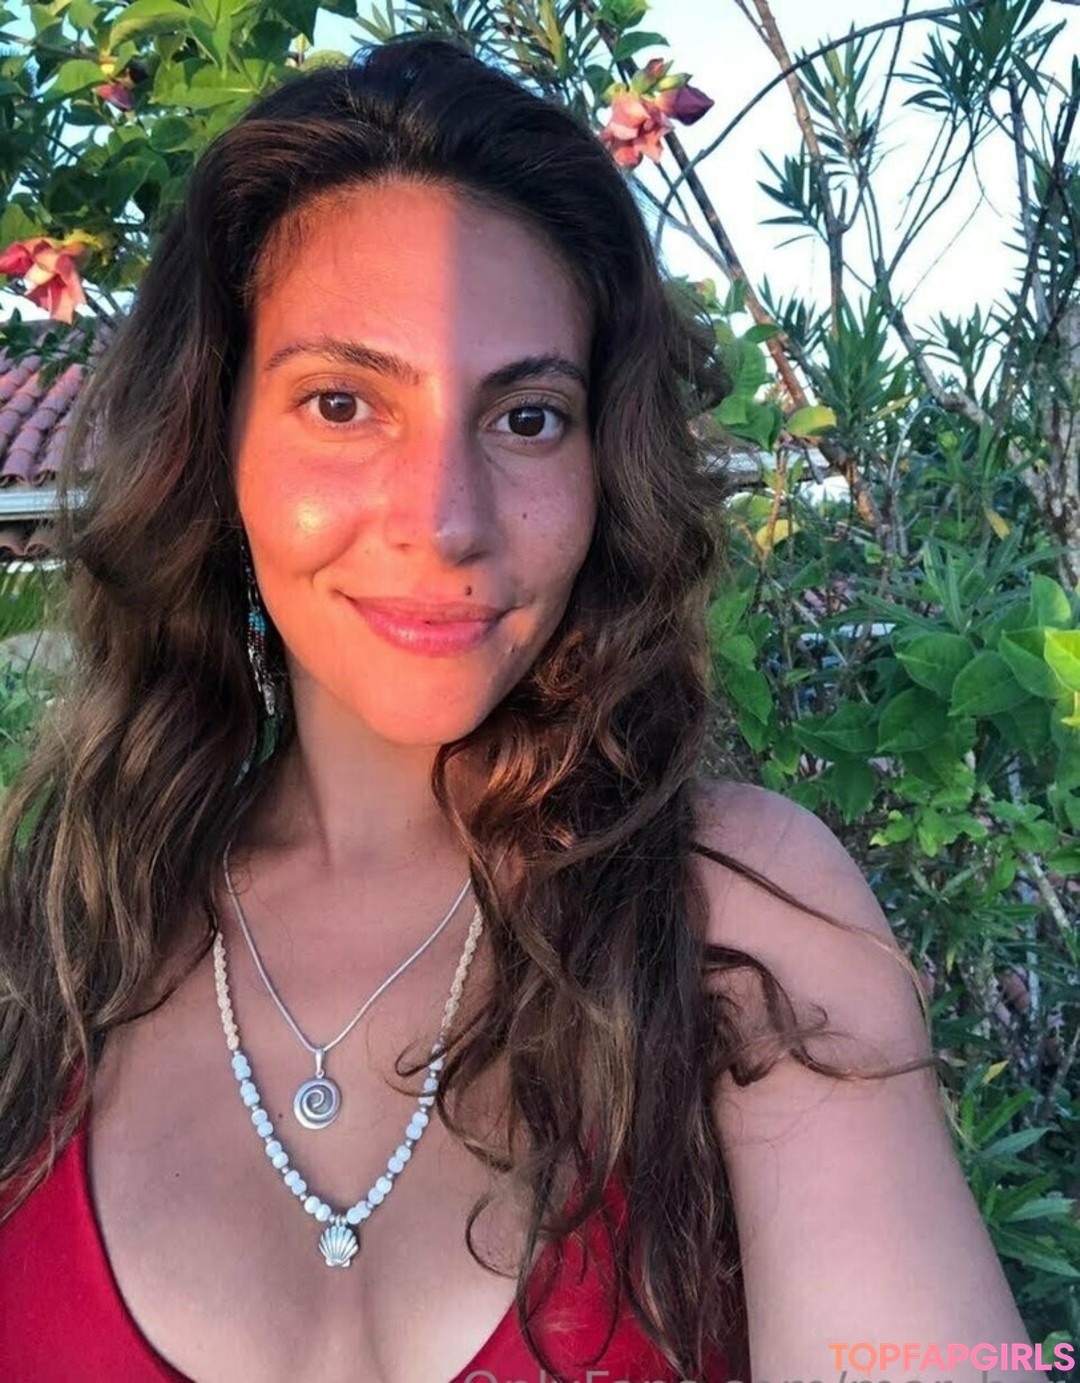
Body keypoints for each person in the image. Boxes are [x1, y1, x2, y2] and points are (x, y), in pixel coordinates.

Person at [0, 32, 1028, 1383]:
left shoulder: (741, 913)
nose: (446, 521)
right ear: (217, 444)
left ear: (607, 466)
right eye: (342, 402)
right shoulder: (45, 944)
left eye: (527, 417)